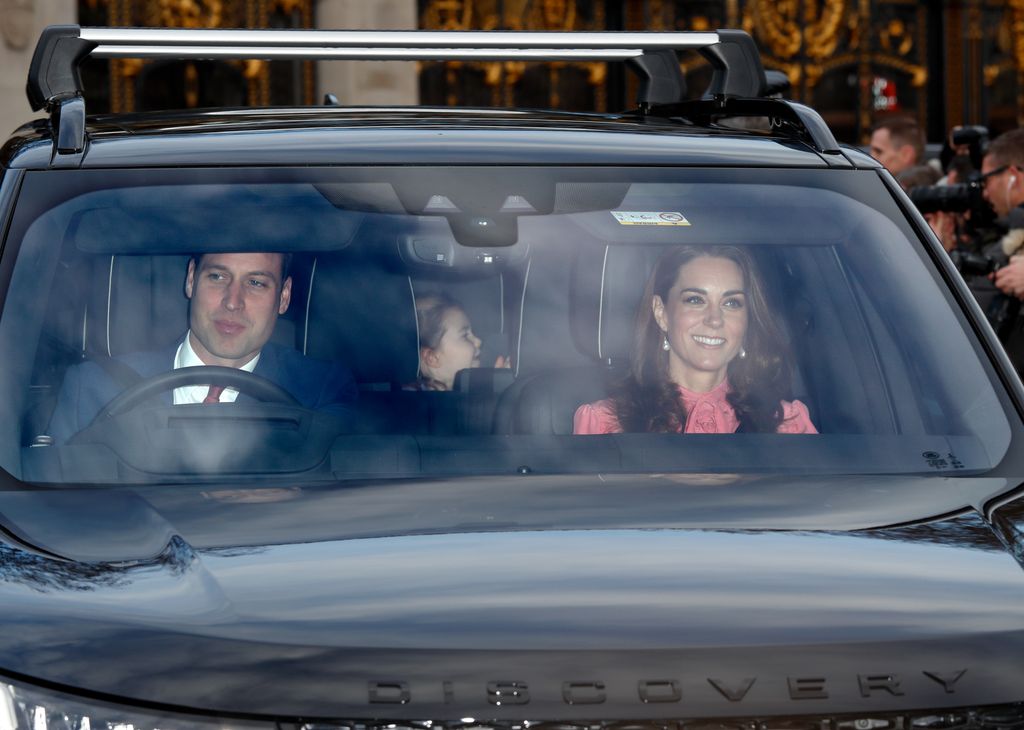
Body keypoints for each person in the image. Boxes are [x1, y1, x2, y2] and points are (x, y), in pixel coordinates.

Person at [47, 251, 357, 443]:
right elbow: (60, 513)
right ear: (191, 280)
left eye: (256, 283)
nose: (233, 302)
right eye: (218, 276)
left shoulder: (319, 392)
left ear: (285, 296)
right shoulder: (92, 388)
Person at [573, 246, 817, 435]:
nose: (714, 319)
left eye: (731, 303)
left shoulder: (787, 424)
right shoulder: (605, 424)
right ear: (661, 313)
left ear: (747, 321)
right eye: (695, 300)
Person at [408, 292, 509, 391]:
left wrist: (496, 387)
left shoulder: (462, 394)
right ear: (432, 358)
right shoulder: (408, 401)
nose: (479, 341)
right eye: (465, 336)